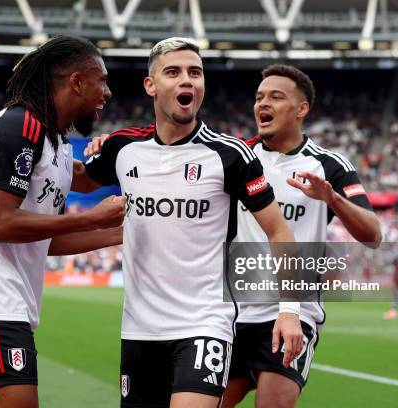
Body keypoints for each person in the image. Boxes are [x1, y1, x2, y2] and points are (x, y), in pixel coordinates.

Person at [75, 38, 300, 408]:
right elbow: (79, 179)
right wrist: (40, 144)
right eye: (173, 72)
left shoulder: (230, 155)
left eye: (195, 72)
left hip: (204, 324)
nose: (187, 81)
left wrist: (289, 311)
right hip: (139, 329)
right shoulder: (122, 147)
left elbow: (279, 231)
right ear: (151, 86)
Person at [0, 35, 125, 408]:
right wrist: (89, 217)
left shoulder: (56, 143)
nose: (106, 93)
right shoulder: (19, 127)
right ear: (75, 81)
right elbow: (0, 223)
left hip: (3, 304)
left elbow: (46, 241)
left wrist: (118, 234)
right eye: (100, 81)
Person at [222, 64, 382, 408]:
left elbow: (373, 234)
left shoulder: (329, 165)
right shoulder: (236, 157)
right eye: (259, 97)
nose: (263, 104)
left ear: (301, 108)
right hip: (230, 313)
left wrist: (332, 199)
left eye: (276, 97)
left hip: (292, 311)